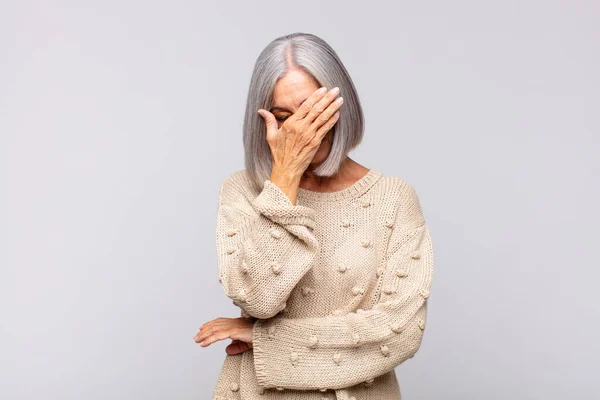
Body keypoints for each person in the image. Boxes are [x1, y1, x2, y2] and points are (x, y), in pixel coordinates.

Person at [193, 32, 435, 400]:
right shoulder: (243, 190)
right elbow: (257, 299)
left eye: (312, 112)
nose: (300, 130)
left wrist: (264, 338)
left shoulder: (394, 198)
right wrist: (285, 178)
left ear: (342, 105)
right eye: (283, 117)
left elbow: (399, 332)